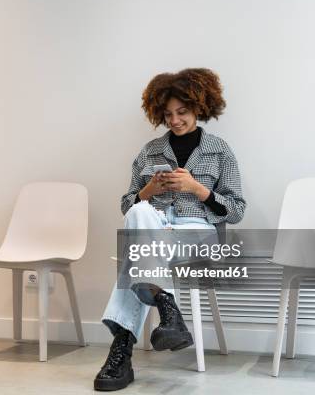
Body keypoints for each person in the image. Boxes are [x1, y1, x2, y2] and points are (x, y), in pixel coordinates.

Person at [94, 68, 246, 391]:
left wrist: (197, 188)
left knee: (134, 255)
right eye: (168, 114)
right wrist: (147, 192)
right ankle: (168, 308)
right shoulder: (149, 151)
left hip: (198, 233)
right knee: (138, 213)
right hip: (155, 231)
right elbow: (127, 207)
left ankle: (121, 349)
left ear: (199, 108)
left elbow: (236, 211)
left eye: (182, 113)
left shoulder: (220, 151)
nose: (175, 120)